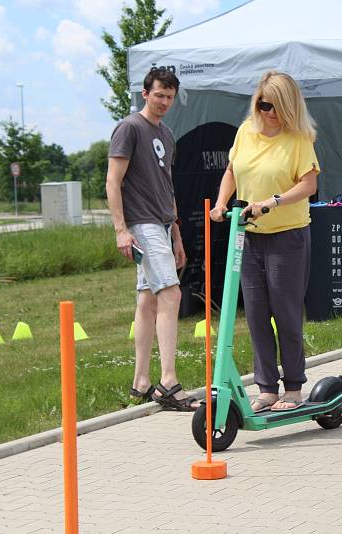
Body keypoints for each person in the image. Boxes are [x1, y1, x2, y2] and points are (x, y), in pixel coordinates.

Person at [210, 71, 320, 412]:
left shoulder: (298, 139)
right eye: (264, 104)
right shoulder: (246, 131)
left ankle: (294, 388)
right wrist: (221, 203)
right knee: (256, 314)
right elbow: (231, 170)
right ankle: (267, 387)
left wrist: (272, 202)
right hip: (248, 235)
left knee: (285, 313)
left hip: (287, 236)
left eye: (276, 106)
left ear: (289, 107)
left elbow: (308, 185)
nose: (269, 112)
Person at [106, 68, 198, 411]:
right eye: (159, 95)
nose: (164, 102)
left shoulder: (167, 134)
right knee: (171, 293)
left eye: (170, 97)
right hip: (141, 223)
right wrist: (121, 229)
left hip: (161, 224)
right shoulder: (129, 128)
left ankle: (141, 382)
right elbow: (113, 181)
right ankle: (169, 382)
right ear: (145, 93)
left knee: (147, 300)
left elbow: (167, 185)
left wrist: (176, 234)